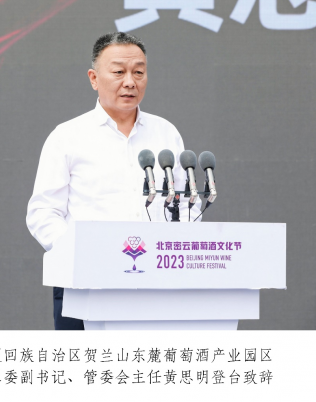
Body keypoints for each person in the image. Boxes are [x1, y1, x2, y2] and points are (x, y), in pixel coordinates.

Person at [26, 32, 201, 330]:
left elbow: (185, 203)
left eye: (138, 72)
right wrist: (81, 253)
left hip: (157, 284)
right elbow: (43, 212)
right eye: (119, 72)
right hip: (85, 283)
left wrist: (175, 251)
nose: (130, 82)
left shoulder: (166, 133)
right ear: (94, 78)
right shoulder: (67, 136)